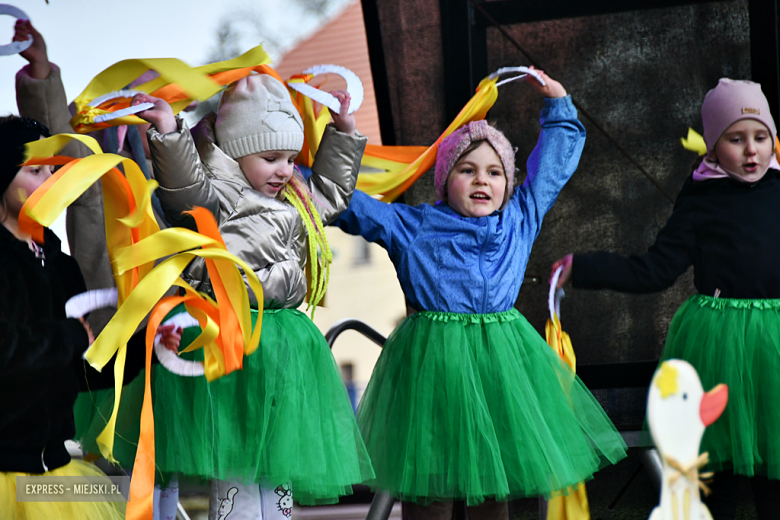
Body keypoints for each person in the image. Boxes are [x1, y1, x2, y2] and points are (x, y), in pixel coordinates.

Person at [333, 69, 627, 519]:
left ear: (509, 183)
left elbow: (554, 166)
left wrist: (559, 104)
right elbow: (346, 202)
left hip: (501, 370)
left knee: (494, 484)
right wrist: (336, 140)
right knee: (428, 487)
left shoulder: (520, 217)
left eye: (494, 172)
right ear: (444, 179)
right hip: (433, 371)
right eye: (466, 170)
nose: (481, 181)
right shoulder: (414, 226)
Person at [113, 73, 373, 520]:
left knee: (279, 466)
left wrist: (344, 130)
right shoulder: (214, 197)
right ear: (235, 150)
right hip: (233, 341)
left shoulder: (295, 199)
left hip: (285, 345)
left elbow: (332, 192)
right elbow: (182, 190)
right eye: (271, 157)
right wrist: (170, 132)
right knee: (236, 467)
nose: (285, 170)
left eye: (291, 158)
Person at [551, 78, 780, 519]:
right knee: (716, 480)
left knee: (775, 479)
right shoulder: (700, 201)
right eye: (736, 139)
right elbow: (653, 269)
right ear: (712, 148)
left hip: (773, 353)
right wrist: (586, 266)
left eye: (760, 137)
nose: (751, 150)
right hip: (719, 349)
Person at [0, 115, 124, 520]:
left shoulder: (60, 265)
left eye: (54, 170)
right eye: (35, 171)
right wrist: (69, 336)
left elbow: (85, 370)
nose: (50, 180)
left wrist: (149, 346)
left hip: (53, 469)